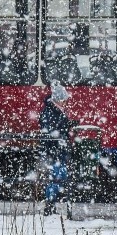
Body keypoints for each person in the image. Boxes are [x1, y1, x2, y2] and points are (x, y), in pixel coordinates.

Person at [39, 81, 74, 216]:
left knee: (59, 176)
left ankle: (52, 203)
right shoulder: (50, 110)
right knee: (56, 177)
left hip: (58, 149)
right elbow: (51, 129)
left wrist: (67, 124)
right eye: (64, 100)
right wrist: (66, 125)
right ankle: (50, 204)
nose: (65, 102)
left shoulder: (54, 110)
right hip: (54, 150)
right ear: (58, 99)